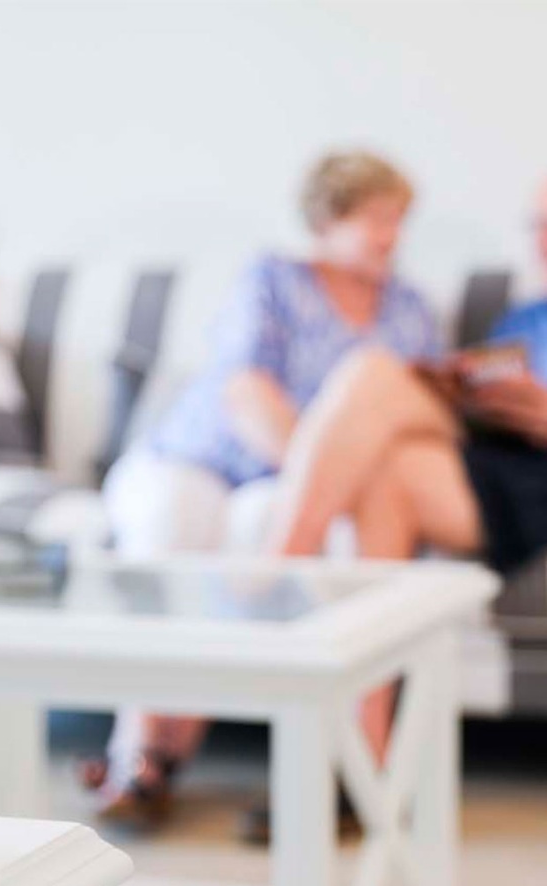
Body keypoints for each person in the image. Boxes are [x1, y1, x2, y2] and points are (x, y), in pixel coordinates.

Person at [266, 170, 547, 763]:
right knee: (383, 426)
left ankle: (271, 584)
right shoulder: (525, 324)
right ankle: (361, 756)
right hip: (513, 462)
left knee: (376, 388)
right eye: (538, 228)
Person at [86, 150, 442, 825]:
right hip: (201, 456)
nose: (392, 235)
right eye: (377, 219)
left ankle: (295, 765)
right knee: (168, 532)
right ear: (328, 220)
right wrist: (317, 465)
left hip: (287, 485)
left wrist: (316, 482)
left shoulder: (411, 310)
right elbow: (247, 390)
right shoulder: (271, 279)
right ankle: (137, 751)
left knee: (265, 535)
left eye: (399, 220)